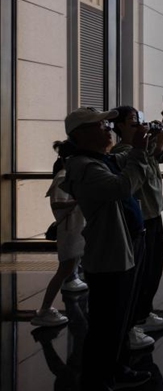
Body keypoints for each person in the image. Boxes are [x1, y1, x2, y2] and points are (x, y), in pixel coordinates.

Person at [60, 107, 152, 390]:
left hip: (122, 247)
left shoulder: (101, 160)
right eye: (100, 125)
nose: (108, 128)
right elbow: (123, 186)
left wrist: (144, 143)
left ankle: (117, 368)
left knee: (119, 318)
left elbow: (126, 158)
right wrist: (138, 150)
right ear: (81, 135)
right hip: (109, 255)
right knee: (106, 324)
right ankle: (99, 380)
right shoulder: (86, 168)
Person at [110, 97, 163, 346]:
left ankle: (142, 315)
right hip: (139, 220)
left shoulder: (144, 149)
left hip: (152, 216)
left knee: (152, 269)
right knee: (139, 273)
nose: (138, 125)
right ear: (118, 126)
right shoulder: (123, 153)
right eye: (132, 122)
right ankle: (131, 325)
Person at [31, 140, 88, 328]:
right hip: (70, 231)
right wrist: (79, 199)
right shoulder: (63, 177)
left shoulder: (66, 176)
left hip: (74, 230)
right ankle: (44, 310)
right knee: (64, 270)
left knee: (67, 268)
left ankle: (45, 309)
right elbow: (57, 203)